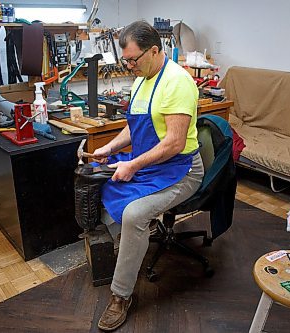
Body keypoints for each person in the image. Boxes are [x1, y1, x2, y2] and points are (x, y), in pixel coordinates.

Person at [91, 20, 204, 331]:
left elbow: (174, 143)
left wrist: (132, 165)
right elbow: (134, 126)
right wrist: (109, 147)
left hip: (181, 169)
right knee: (102, 180)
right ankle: (132, 245)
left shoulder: (177, 82)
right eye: (125, 60)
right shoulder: (142, 78)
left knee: (133, 215)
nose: (129, 66)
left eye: (133, 60)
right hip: (153, 163)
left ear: (155, 50)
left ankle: (120, 295)